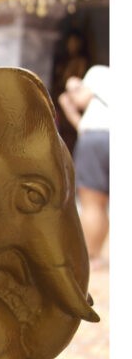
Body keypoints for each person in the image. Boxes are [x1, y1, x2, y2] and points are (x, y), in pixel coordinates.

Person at [62, 66, 110, 270]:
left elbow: (80, 100)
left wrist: (71, 88)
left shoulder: (100, 73)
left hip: (97, 137)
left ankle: (92, 257)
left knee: (93, 203)